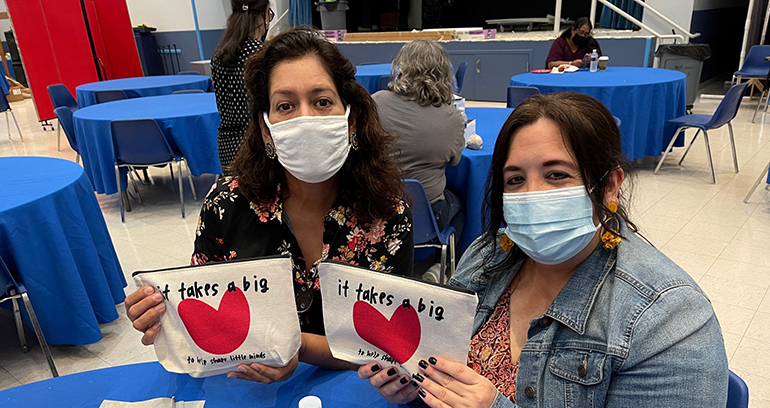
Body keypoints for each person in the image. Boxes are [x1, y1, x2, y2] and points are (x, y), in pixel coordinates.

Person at [359, 92, 728, 407]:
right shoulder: (487, 256)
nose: (532, 193)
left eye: (557, 175)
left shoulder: (667, 320)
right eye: (515, 179)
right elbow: (443, 358)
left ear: (610, 186)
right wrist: (419, 384)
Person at [125, 27, 415, 384]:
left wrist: (297, 347)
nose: (304, 118)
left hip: (356, 389)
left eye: (322, 101)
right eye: (285, 106)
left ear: (350, 119)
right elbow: (211, 316)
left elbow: (389, 345)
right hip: (250, 387)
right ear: (266, 130)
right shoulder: (226, 205)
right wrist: (163, 315)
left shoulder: (387, 213)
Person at [372, 39, 465, 277]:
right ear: (444, 74)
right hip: (428, 214)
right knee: (461, 207)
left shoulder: (376, 103)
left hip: (378, 207)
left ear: (402, 68)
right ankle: (439, 266)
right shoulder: (452, 117)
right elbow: (455, 161)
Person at [212, 0, 273, 174]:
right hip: (258, 143)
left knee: (237, 198)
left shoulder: (220, 53)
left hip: (227, 145)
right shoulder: (263, 54)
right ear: (265, 15)